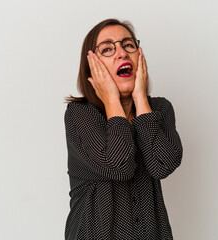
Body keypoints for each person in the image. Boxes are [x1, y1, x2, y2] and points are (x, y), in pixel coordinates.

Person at [64, 18, 183, 239]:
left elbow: (162, 166)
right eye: (107, 49)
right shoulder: (80, 114)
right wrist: (111, 100)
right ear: (92, 66)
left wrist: (140, 98)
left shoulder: (160, 109)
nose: (122, 53)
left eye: (128, 45)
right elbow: (118, 166)